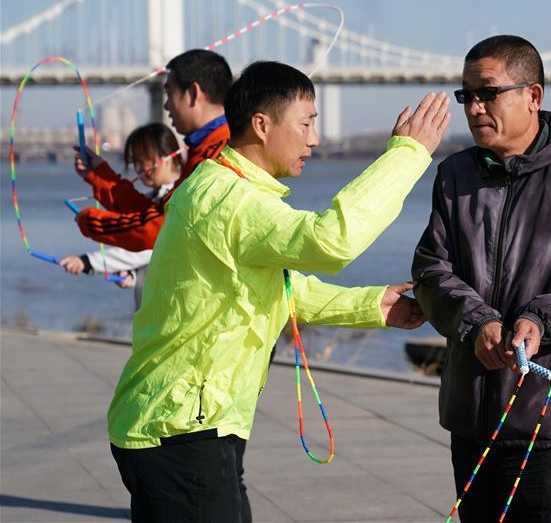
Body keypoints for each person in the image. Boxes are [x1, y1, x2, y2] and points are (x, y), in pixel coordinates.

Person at [108, 61, 450, 523]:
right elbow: (332, 240)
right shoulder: (230, 200)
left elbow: (278, 291)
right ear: (262, 124)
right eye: (306, 123)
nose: (315, 139)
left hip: (186, 421)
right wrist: (408, 155)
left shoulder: (223, 187)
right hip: (181, 428)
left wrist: (372, 305)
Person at [412, 35, 551, 522]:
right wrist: (476, 324)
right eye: (466, 95)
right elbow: (431, 269)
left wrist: (540, 319)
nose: (474, 108)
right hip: (472, 421)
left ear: (533, 96)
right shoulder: (453, 175)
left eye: (488, 93)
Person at [73, 49, 232, 252]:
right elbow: (160, 212)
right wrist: (99, 175)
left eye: (169, 94)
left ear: (193, 93)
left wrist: (91, 221)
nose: (165, 106)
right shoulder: (206, 148)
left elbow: (162, 228)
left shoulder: (219, 156)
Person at [61, 123, 184, 310]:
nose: (140, 169)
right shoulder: (154, 200)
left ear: (167, 157)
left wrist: (87, 261)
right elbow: (159, 256)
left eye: (145, 161)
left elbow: (144, 238)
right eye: (136, 162)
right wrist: (135, 276)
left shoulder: (181, 199)